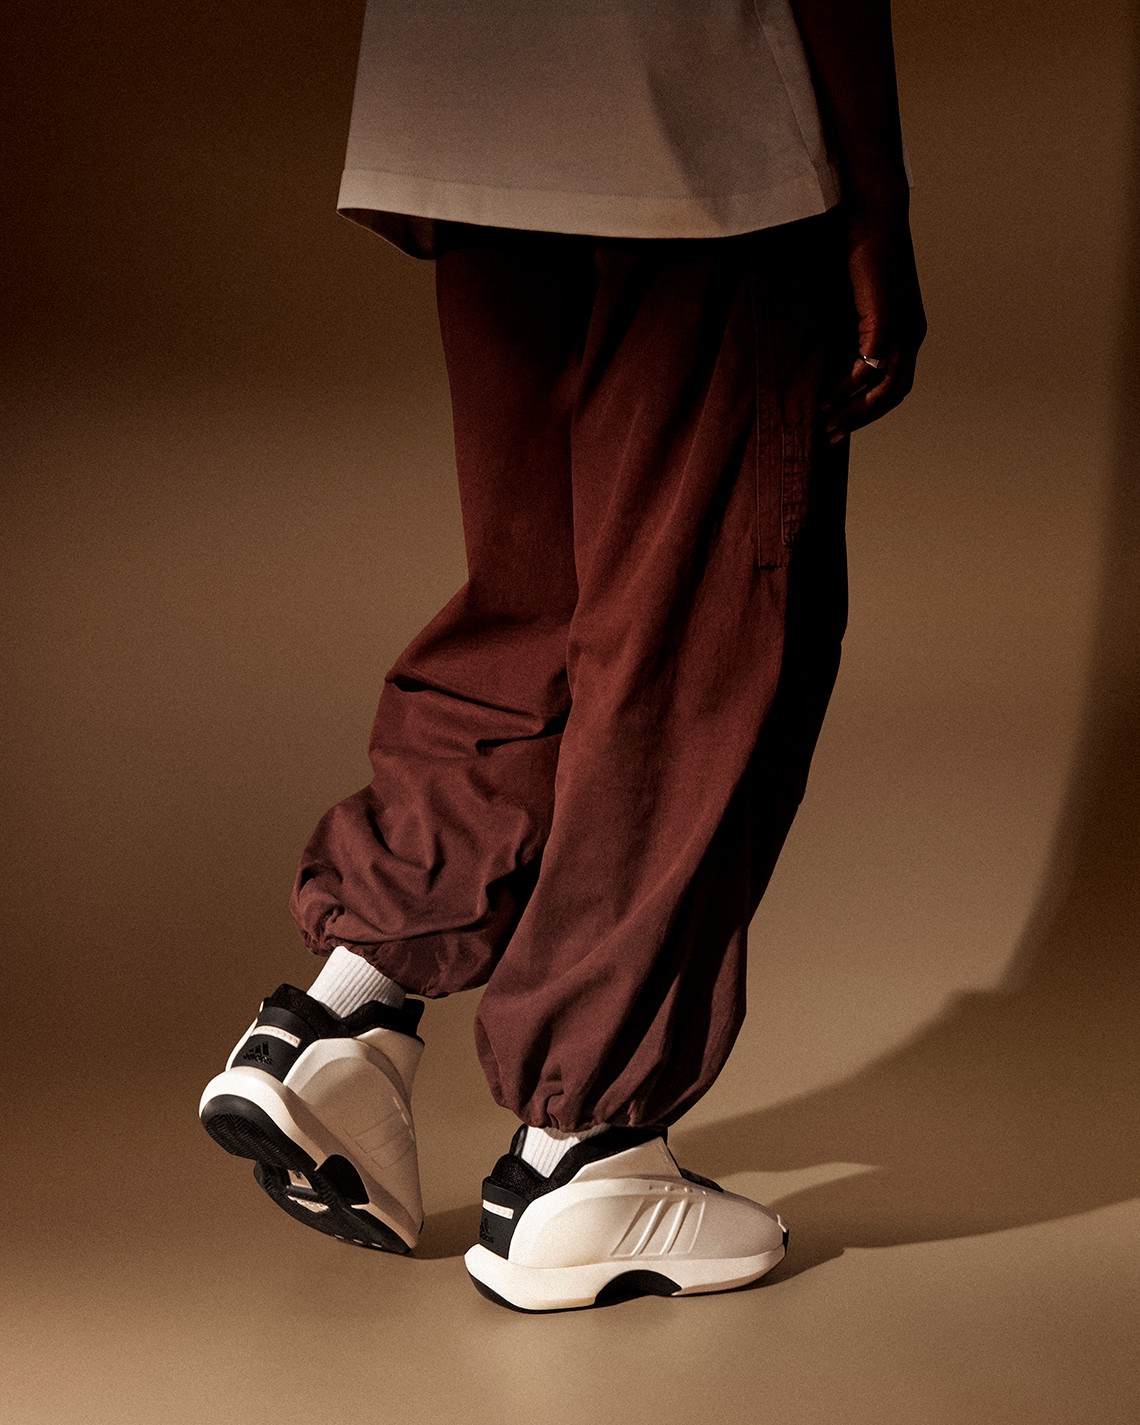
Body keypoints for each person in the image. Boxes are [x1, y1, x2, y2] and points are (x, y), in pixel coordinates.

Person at [199, 0, 927, 1313]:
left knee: (541, 596)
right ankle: (590, 1149)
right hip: (698, 119)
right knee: (697, 640)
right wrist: (877, 199)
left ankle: (342, 1021)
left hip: (465, 89)